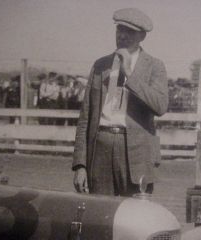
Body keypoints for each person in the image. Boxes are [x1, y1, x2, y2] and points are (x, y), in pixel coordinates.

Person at [72, 8, 168, 196]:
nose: (122, 36)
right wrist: (80, 165)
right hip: (100, 148)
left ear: (142, 36)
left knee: (135, 218)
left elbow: (160, 106)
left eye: (129, 31)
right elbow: (85, 117)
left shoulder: (155, 66)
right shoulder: (100, 65)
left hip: (136, 153)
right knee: (100, 215)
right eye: (119, 30)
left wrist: (129, 74)